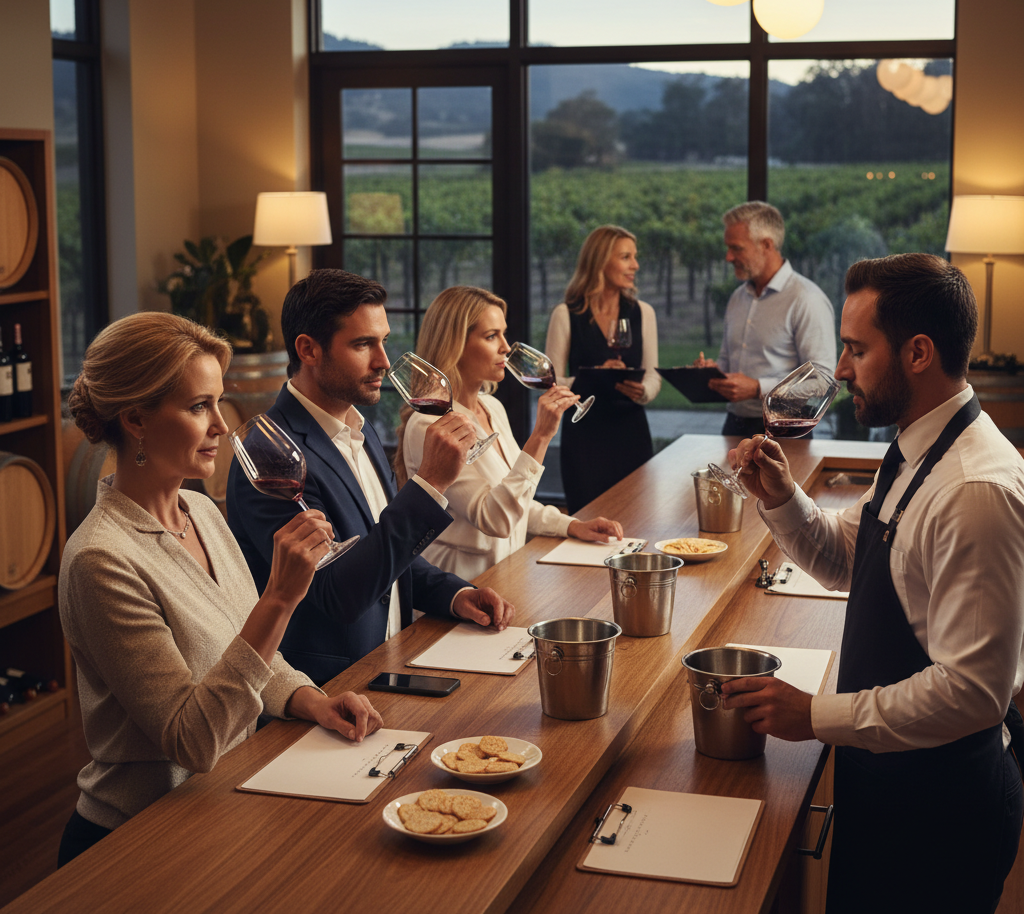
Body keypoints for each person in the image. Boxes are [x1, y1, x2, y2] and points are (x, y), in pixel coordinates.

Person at [721, 254, 1024, 914]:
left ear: (919, 352)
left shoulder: (975, 491)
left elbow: (973, 693)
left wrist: (816, 715)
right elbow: (842, 558)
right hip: (888, 778)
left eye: (857, 350)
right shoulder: (915, 445)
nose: (842, 370)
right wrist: (781, 496)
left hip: (940, 813)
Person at [58, 313, 383, 867]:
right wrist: (279, 598)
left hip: (220, 808)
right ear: (135, 418)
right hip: (134, 843)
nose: (222, 426)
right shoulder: (100, 560)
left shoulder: (203, 511)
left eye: (218, 402)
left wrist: (311, 700)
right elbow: (192, 739)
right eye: (197, 406)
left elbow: (251, 654)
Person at [226, 269, 515, 686]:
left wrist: (454, 594)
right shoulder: (270, 459)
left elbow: (383, 551)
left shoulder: (362, 430)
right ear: (308, 349)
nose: (382, 360)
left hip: (392, 663)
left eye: (382, 340)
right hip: (328, 690)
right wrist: (430, 484)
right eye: (363, 344)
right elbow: (335, 594)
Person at [393, 286, 624, 580]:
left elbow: (515, 498)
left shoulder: (491, 407)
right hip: (460, 587)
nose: (506, 346)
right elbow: (495, 518)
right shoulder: (430, 425)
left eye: (503, 333)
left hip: (506, 578)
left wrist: (570, 525)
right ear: (455, 345)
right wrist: (541, 437)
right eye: (491, 336)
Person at [546, 225, 661, 514]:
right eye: (626, 257)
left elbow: (652, 374)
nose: (635, 265)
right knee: (588, 521)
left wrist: (644, 390)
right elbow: (550, 381)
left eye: (634, 257)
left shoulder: (643, 312)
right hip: (585, 437)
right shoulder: (565, 315)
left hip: (631, 432)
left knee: (638, 517)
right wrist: (592, 377)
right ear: (600, 261)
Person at [699, 201, 836, 436]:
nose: (728, 257)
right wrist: (712, 372)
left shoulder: (806, 298)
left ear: (766, 245)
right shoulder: (737, 298)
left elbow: (823, 382)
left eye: (736, 248)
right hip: (734, 426)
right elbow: (727, 360)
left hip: (786, 431)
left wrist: (757, 388)